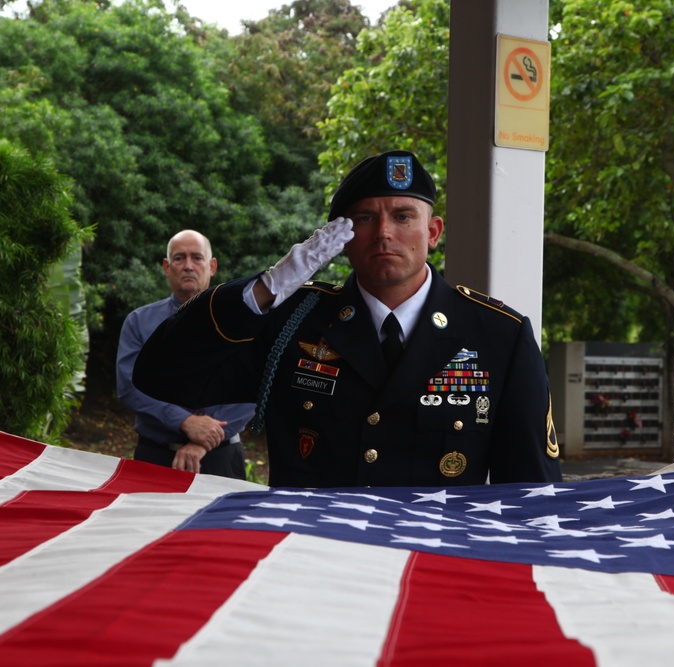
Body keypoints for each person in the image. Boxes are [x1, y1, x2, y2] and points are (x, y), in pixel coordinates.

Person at [134, 150, 562, 488]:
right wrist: (263, 291)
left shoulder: (499, 335)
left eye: (402, 216)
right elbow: (161, 377)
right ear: (342, 237)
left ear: (432, 232)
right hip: (312, 560)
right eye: (364, 218)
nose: (383, 233)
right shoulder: (292, 323)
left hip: (432, 569)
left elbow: (530, 489)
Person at [117, 229, 255, 477]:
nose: (188, 266)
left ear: (212, 266)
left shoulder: (243, 322)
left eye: (197, 258)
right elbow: (130, 386)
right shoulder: (138, 322)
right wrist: (185, 421)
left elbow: (253, 390)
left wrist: (204, 440)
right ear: (167, 267)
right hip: (155, 458)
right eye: (179, 258)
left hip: (222, 460)